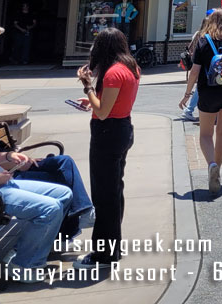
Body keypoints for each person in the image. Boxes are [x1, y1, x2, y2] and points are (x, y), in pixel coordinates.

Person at [0, 76, 93, 239]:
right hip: (0, 178)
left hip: (5, 171)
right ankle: (67, 230)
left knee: (63, 163)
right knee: (57, 178)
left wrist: (14, 156)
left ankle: (81, 214)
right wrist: (10, 167)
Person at [72, 27, 140, 271]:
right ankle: (112, 247)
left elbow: (102, 111)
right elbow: (112, 104)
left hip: (107, 133)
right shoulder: (130, 67)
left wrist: (88, 87)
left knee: (104, 196)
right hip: (122, 128)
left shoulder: (112, 73)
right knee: (114, 191)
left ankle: (104, 254)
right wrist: (92, 98)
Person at [0, 139, 72, 279]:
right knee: (50, 208)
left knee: (64, 194)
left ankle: (33, 248)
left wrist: (9, 156)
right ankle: (24, 267)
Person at [179, 9, 222, 195]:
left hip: (208, 93)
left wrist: (187, 94)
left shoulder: (203, 41)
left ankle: (211, 164)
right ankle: (219, 168)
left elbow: (194, 71)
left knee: (206, 134)